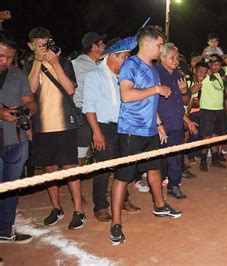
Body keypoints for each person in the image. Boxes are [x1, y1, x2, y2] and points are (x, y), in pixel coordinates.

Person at [110, 26, 180, 245]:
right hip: (131, 130)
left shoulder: (151, 68)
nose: (160, 50)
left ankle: (160, 206)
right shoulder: (130, 65)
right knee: (123, 177)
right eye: (159, 45)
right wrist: (157, 89)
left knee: (155, 169)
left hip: (150, 129)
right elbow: (126, 95)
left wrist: (158, 123)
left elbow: (151, 102)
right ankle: (116, 224)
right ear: (147, 44)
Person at [24, 27, 85, 229]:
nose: (43, 48)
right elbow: (30, 91)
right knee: (49, 169)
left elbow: (70, 89)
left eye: (46, 44)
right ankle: (56, 208)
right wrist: (38, 62)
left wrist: (56, 63)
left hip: (64, 124)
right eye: (39, 45)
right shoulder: (28, 65)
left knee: (70, 167)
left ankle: (79, 210)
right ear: (31, 46)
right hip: (41, 126)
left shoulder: (65, 63)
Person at [82, 37, 141, 222]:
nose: (126, 61)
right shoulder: (95, 75)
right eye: (123, 57)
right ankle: (100, 206)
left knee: (124, 166)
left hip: (123, 126)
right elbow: (89, 107)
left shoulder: (122, 76)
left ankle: (123, 199)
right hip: (104, 127)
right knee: (103, 169)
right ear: (112, 56)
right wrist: (96, 132)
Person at [0, 31, 35, 244]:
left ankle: (5, 229)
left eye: (10, 57)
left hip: (16, 139)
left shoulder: (17, 74)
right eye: (1, 56)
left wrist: (27, 111)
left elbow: (30, 101)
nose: (5, 61)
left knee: (11, 187)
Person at [156, 43, 198, 200]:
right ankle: (157, 187)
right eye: (171, 57)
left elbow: (185, 101)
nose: (175, 61)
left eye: (176, 58)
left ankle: (174, 186)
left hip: (176, 123)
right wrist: (158, 124)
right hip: (159, 124)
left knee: (175, 158)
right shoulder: (156, 74)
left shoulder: (179, 75)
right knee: (158, 159)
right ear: (162, 57)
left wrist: (184, 91)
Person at [72, 32, 106, 167]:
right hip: (81, 113)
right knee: (80, 152)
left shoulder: (99, 65)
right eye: (102, 44)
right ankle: (75, 178)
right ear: (94, 46)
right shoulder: (76, 64)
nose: (104, 46)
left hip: (96, 114)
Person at [196, 54, 227, 172]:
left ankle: (214, 159)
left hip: (219, 109)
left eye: (219, 65)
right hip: (207, 109)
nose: (217, 67)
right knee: (206, 136)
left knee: (216, 136)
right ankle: (203, 160)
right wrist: (204, 56)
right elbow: (194, 63)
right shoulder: (204, 74)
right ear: (210, 65)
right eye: (215, 65)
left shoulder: (220, 74)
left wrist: (224, 58)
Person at [185, 61, 208, 164]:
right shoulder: (188, 82)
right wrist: (187, 117)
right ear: (194, 70)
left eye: (205, 72)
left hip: (198, 112)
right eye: (200, 72)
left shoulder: (201, 84)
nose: (202, 75)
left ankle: (194, 153)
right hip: (186, 114)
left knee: (198, 134)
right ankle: (190, 156)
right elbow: (185, 101)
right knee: (192, 134)